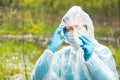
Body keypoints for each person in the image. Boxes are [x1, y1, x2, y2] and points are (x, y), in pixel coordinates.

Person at [31, 6, 119, 80]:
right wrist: (50, 51)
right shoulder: (61, 56)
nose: (74, 32)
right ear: (64, 32)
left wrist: (91, 58)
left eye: (78, 27)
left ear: (86, 27)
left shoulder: (101, 52)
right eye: (69, 29)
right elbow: (37, 78)